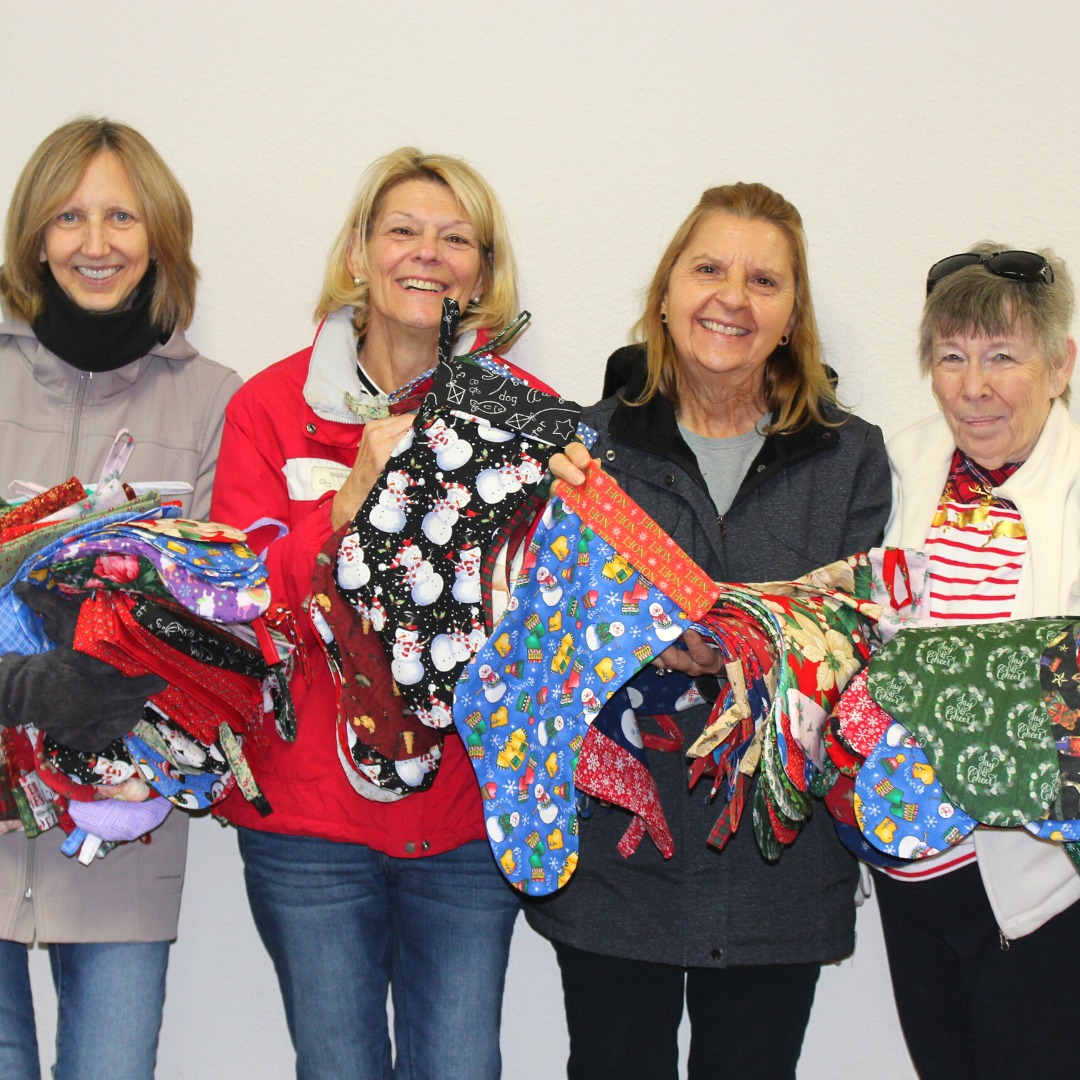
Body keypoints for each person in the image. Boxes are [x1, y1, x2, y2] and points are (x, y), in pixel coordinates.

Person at [529, 182, 891, 1080]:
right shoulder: (583, 450)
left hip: (780, 859)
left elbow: (864, 639)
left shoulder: (849, 458)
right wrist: (634, 642)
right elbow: (538, 636)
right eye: (708, 268)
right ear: (665, 293)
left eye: (764, 280)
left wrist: (754, 644)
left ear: (791, 317)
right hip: (618, 853)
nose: (733, 296)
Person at [210, 147, 537, 1080]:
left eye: (456, 238)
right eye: (402, 230)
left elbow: (555, 612)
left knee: (462, 1068)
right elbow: (234, 603)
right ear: (359, 252)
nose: (426, 254)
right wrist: (348, 499)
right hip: (308, 824)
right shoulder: (268, 408)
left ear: (482, 272)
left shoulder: (527, 414)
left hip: (469, 815)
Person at [0, 118, 240, 1080]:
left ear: (160, 237)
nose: (94, 243)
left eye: (120, 216)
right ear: (35, 236)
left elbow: (227, 617)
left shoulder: (214, 399)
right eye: (69, 216)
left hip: (125, 828)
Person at [871, 244, 1080, 1079]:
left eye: (1003, 356)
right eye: (951, 357)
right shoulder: (901, 466)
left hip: (1046, 885)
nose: (973, 384)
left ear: (1060, 365)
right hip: (916, 871)